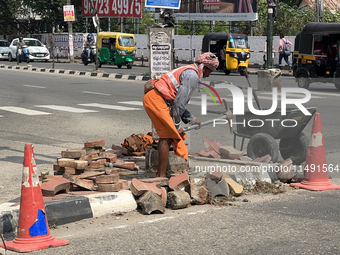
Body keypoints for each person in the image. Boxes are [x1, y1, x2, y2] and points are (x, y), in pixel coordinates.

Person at [143, 52, 219, 178]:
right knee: (167, 136)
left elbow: (176, 101)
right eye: (209, 72)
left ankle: (160, 174)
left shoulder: (189, 70)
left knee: (166, 136)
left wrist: (191, 119)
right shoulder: (192, 76)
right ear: (204, 68)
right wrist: (177, 126)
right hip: (156, 99)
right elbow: (179, 103)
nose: (207, 75)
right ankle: (160, 176)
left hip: (155, 98)